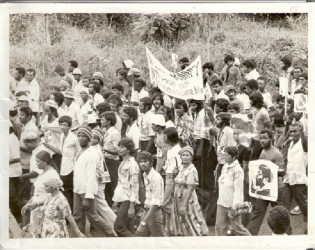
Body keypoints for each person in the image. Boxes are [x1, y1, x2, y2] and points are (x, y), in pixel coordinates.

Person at [72, 125, 111, 237]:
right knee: (78, 216)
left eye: (83, 136)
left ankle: (112, 234)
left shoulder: (92, 153)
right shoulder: (80, 151)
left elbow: (91, 177)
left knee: (93, 217)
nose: (80, 138)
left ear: (89, 138)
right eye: (79, 135)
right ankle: (77, 240)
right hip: (77, 189)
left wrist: (88, 197)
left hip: (86, 191)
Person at [247, 129, 285, 236]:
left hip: (276, 189)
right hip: (264, 188)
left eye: (265, 138)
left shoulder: (277, 154)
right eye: (261, 138)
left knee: (280, 214)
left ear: (271, 139)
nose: (262, 141)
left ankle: (288, 237)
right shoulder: (263, 152)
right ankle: (249, 238)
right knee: (258, 212)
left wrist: (271, 169)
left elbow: (282, 172)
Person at [170, 146, 208, 236]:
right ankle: (182, 233)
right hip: (178, 195)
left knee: (189, 215)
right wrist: (173, 174)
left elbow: (191, 188)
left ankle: (194, 234)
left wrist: (184, 204)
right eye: (183, 155)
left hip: (187, 196)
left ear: (191, 157)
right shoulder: (180, 168)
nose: (185, 157)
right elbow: (176, 181)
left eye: (187, 155)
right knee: (179, 216)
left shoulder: (192, 170)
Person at [44, 115, 80, 210]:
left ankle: (71, 211)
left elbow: (79, 153)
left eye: (65, 125)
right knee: (65, 190)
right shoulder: (62, 136)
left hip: (71, 168)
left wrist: (76, 167)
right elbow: (61, 152)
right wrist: (48, 146)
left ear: (70, 127)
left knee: (67, 190)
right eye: (60, 125)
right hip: (64, 167)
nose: (62, 127)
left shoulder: (74, 138)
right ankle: (67, 210)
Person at [215, 146, 251, 236]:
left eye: (227, 155)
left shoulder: (238, 170)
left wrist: (235, 207)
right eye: (224, 155)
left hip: (232, 204)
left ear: (233, 157)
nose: (224, 157)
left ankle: (252, 243)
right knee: (219, 227)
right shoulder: (225, 167)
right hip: (221, 202)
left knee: (238, 229)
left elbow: (239, 190)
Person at [21, 150, 60, 229]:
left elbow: (55, 197)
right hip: (36, 207)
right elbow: (37, 193)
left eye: (38, 161)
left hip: (45, 209)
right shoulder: (43, 172)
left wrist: (38, 203)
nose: (36, 163)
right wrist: (28, 203)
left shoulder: (52, 174)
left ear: (45, 162)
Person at [112, 138, 140, 237]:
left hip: (128, 199)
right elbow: (120, 183)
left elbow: (134, 185)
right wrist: (116, 200)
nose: (119, 149)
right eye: (119, 146)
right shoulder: (122, 163)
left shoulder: (132, 165)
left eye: (122, 147)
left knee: (118, 227)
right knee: (128, 227)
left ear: (128, 149)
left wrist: (132, 206)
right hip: (122, 197)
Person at [283, 123, 308, 232]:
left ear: (300, 132)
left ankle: (309, 220)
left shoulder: (303, 144)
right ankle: (287, 229)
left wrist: (301, 131)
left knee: (302, 204)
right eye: (291, 131)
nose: (292, 133)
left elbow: (305, 145)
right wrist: (287, 140)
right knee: (285, 204)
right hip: (289, 178)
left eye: (295, 131)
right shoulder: (291, 143)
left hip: (299, 180)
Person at [135, 151, 165, 236]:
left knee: (159, 240)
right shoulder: (145, 174)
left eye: (145, 161)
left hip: (154, 213)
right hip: (146, 210)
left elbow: (155, 204)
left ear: (151, 162)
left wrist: (143, 223)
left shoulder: (156, 178)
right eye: (140, 162)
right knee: (143, 239)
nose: (142, 164)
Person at [161, 127, 182, 235]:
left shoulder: (177, 150)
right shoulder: (170, 149)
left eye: (165, 135)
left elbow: (179, 166)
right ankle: (171, 228)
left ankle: (178, 217)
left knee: (164, 203)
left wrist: (175, 178)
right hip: (168, 176)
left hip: (173, 178)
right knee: (169, 202)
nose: (163, 137)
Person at [101, 111, 121, 207]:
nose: (101, 121)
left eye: (103, 119)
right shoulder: (106, 132)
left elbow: (119, 151)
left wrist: (105, 150)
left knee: (113, 185)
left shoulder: (114, 133)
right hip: (106, 161)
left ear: (108, 121)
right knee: (107, 186)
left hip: (112, 162)